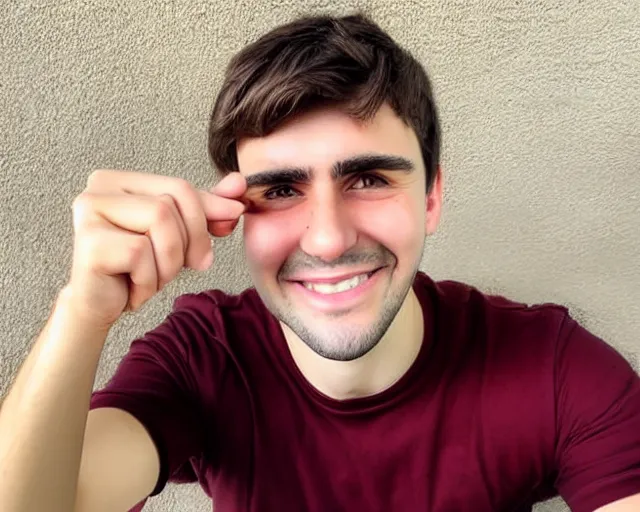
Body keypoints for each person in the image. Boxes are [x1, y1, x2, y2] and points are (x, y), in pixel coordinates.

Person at [0, 12, 638, 512]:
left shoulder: (553, 367)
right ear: (233, 209)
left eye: (368, 180)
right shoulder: (203, 358)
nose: (328, 240)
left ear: (432, 197)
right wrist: (83, 310)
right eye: (280, 190)